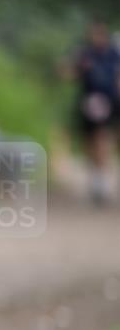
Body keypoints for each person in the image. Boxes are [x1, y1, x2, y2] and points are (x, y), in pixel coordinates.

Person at [68, 21, 120, 205]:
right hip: (89, 101)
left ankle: (102, 180)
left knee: (102, 139)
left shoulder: (113, 53)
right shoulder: (84, 53)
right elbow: (70, 73)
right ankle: (97, 177)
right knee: (90, 141)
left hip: (108, 100)